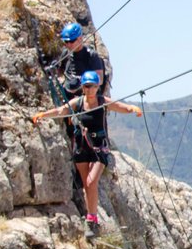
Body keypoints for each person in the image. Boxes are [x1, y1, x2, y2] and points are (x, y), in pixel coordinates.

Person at [32, 71, 141, 231]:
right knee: (86, 185)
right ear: (82, 87)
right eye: (86, 86)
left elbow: (119, 107)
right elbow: (62, 111)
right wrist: (43, 115)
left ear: (97, 87)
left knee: (91, 181)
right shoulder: (78, 102)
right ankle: (91, 219)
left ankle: (92, 218)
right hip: (82, 147)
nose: (89, 89)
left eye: (92, 86)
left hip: (99, 147)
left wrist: (132, 108)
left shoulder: (103, 101)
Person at [55, 21, 105, 100]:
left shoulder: (91, 55)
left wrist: (82, 83)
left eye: (71, 41)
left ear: (80, 39)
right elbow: (60, 71)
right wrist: (63, 81)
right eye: (66, 42)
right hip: (67, 96)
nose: (68, 44)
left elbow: (100, 79)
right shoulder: (66, 53)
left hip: (85, 98)